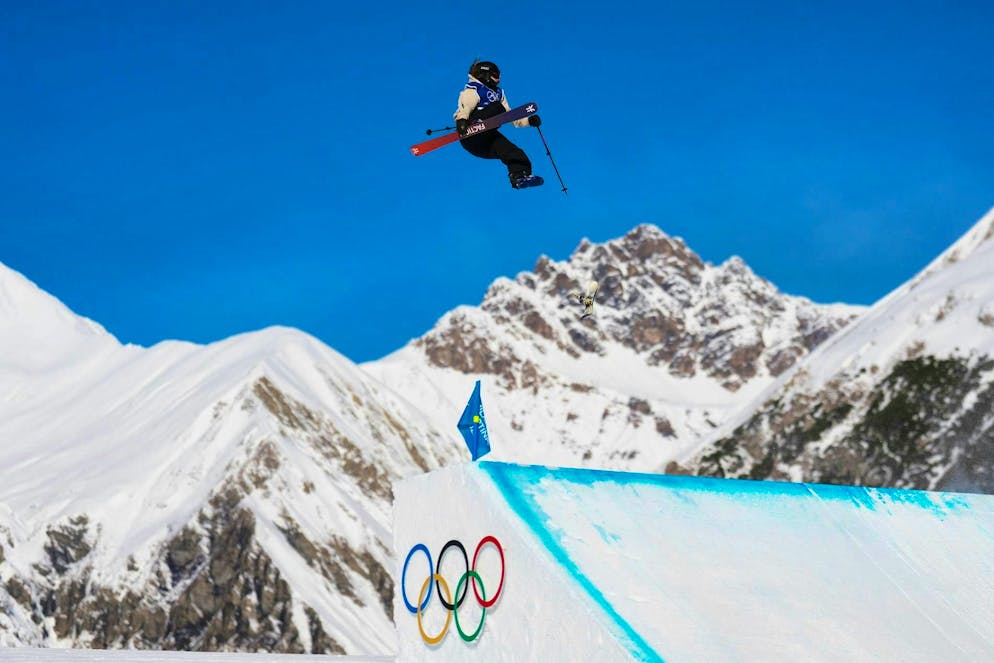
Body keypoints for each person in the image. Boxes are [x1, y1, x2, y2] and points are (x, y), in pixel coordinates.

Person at [454, 60, 543, 189]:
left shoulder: (499, 93)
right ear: (485, 75)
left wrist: (528, 121)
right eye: (495, 76)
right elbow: (464, 107)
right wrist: (461, 121)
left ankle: (520, 176)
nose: (498, 80)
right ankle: (477, 125)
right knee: (497, 107)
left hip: (487, 140)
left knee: (513, 151)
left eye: (499, 76)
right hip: (471, 136)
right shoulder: (475, 89)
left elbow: (510, 115)